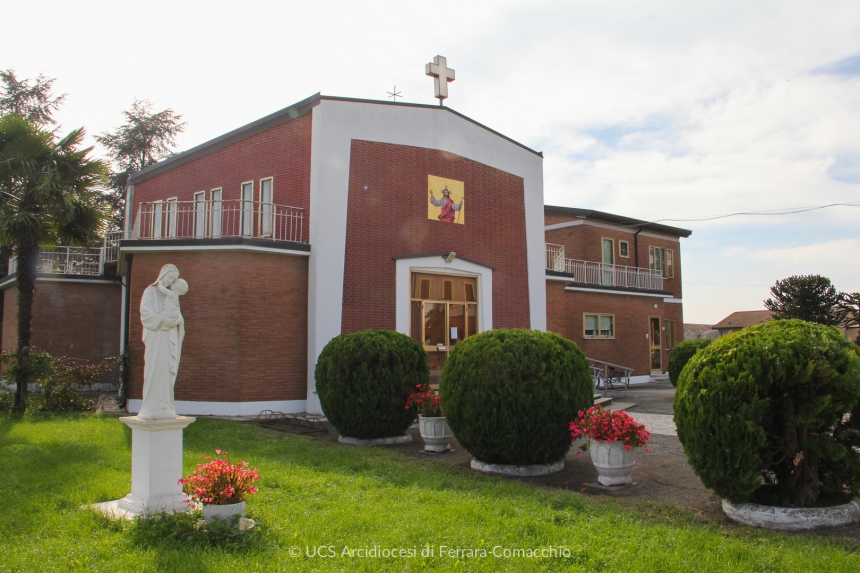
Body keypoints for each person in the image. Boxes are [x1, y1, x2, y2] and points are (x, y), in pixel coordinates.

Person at [137, 264, 186, 420]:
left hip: (168, 337)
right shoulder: (150, 291)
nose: (172, 282)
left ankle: (165, 405)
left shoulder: (171, 294)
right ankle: (151, 407)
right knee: (154, 369)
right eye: (170, 278)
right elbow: (145, 314)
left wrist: (177, 321)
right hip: (156, 338)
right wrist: (163, 320)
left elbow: (177, 315)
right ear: (162, 275)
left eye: (174, 279)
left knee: (165, 370)